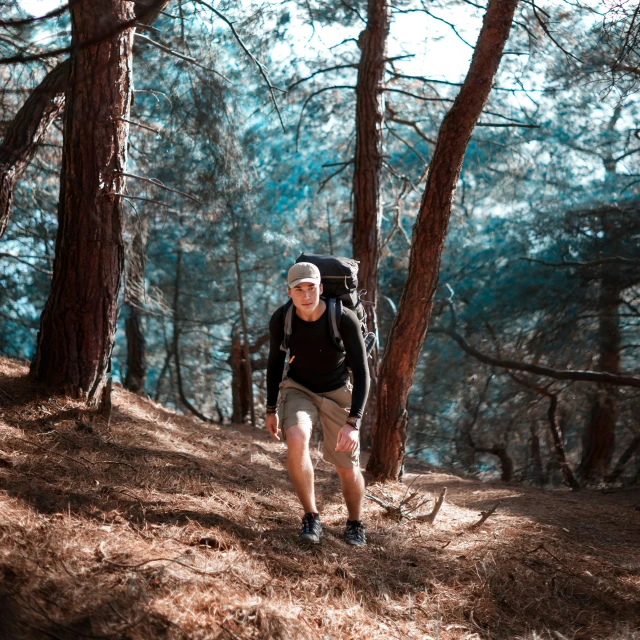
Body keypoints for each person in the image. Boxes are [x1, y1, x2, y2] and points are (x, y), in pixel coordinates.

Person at [265, 261, 370, 546]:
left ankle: (355, 522)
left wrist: (353, 423)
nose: (306, 295)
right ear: (289, 292)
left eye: (311, 288)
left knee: (347, 467)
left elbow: (362, 372)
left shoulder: (343, 318)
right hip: (299, 389)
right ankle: (311, 516)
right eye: (299, 289)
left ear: (321, 288)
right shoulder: (282, 319)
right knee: (297, 437)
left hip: (338, 392)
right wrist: (270, 408)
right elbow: (275, 363)